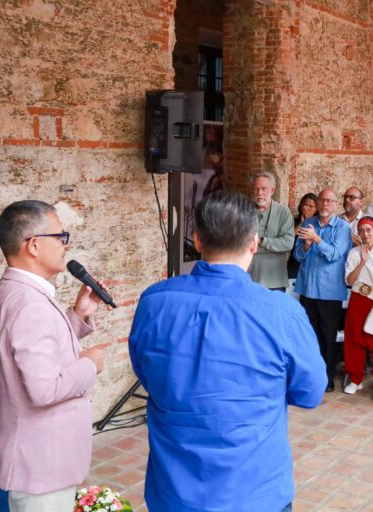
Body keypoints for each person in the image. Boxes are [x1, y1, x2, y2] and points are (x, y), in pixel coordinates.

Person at [129, 190, 326, 511]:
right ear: (254, 243)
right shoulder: (281, 313)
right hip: (254, 491)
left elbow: (147, 373)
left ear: (197, 240)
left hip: (175, 490)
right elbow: (310, 393)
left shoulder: (154, 301)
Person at [0, 200, 106, 512]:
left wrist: (78, 316)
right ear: (34, 245)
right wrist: (89, 364)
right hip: (42, 462)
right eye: (61, 236)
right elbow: (44, 389)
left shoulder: (11, 289)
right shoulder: (30, 302)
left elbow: (31, 351)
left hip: (36, 454)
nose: (67, 245)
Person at [294, 188, 353, 392]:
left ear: (336, 205)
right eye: (322, 200)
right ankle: (309, 376)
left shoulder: (342, 228)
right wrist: (306, 245)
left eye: (329, 201)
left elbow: (335, 254)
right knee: (309, 335)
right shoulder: (308, 223)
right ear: (317, 203)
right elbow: (298, 256)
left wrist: (317, 240)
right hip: (307, 289)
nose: (325, 204)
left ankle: (327, 378)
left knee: (328, 337)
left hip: (330, 292)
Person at [343, 217, 373, 400]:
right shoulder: (354, 253)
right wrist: (362, 261)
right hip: (358, 299)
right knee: (354, 341)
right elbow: (349, 281)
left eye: (368, 230)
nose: (365, 234)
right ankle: (356, 379)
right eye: (362, 230)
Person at [249, 171, 295, 290]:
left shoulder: (283, 212)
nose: (259, 193)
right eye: (256, 188)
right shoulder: (245, 210)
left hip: (275, 280)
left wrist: (261, 241)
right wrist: (274, 245)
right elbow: (239, 241)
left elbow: (288, 243)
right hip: (249, 278)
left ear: (272, 190)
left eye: (264, 189)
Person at [288, 192, 317, 278]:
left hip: (310, 267)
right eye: (305, 204)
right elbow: (288, 239)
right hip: (293, 264)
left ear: (316, 209)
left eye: (311, 206)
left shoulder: (318, 224)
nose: (306, 208)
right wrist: (302, 223)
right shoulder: (293, 221)